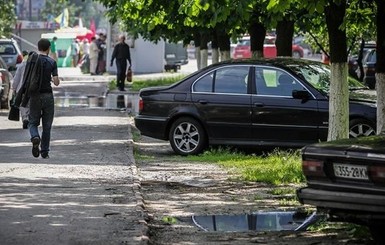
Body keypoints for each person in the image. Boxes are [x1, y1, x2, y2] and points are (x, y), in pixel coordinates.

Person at [28, 38, 60, 159]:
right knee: (47, 126)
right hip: (48, 96)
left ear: (38, 47)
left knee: (32, 122)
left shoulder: (32, 61)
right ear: (48, 48)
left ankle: (35, 136)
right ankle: (45, 151)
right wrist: (53, 79)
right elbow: (56, 82)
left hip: (34, 95)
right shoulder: (52, 62)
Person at [11, 50, 29, 129]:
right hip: (32, 89)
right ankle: (29, 118)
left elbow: (16, 79)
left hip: (21, 89)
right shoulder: (35, 65)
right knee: (30, 104)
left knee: (22, 104)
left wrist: (14, 88)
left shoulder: (21, 65)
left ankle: (25, 118)